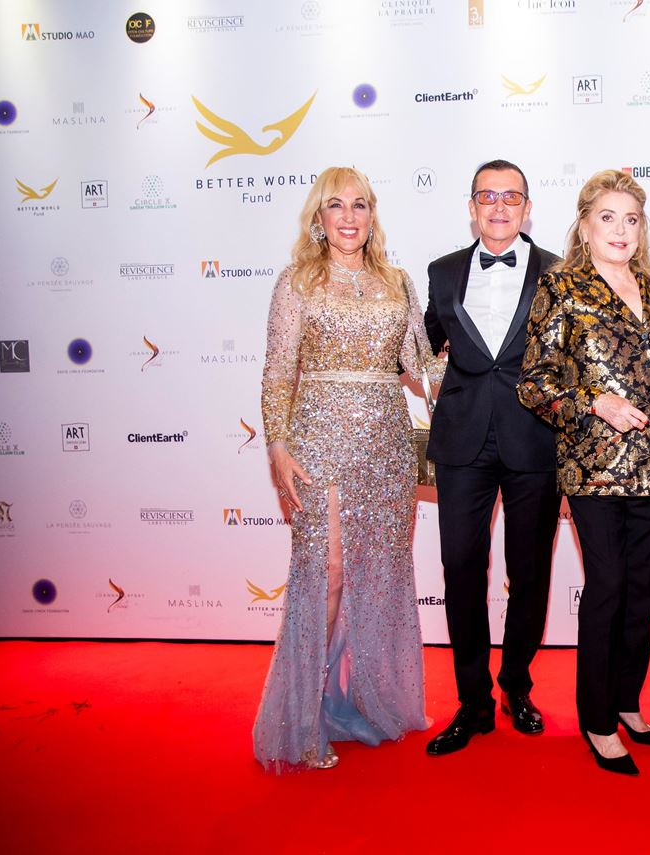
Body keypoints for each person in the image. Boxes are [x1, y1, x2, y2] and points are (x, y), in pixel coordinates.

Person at [253, 166, 444, 771]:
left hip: (386, 444)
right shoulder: (297, 283)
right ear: (319, 216)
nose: (349, 217)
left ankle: (366, 697)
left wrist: (480, 361)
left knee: (378, 576)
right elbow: (279, 371)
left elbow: (420, 365)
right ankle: (304, 716)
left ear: (372, 214)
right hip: (321, 441)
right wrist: (278, 445)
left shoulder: (398, 282)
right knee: (328, 574)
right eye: (336, 206)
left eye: (360, 205)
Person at [518, 169, 650, 775]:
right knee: (605, 588)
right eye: (608, 217)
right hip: (593, 469)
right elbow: (535, 382)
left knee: (638, 590)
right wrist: (593, 402)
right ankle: (596, 719)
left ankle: (626, 701)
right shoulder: (562, 287)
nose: (621, 230)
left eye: (632, 219)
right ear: (584, 224)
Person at [421, 160, 562, 756]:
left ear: (527, 207)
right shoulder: (442, 271)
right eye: (487, 196)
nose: (499, 207)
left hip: (535, 439)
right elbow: (430, 337)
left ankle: (516, 686)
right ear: (472, 206)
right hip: (461, 443)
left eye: (511, 197)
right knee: (460, 571)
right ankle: (472, 700)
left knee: (529, 575)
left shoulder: (560, 271)